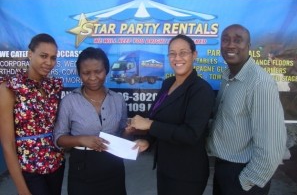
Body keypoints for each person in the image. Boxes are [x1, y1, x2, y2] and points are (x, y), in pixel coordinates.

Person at [129, 34, 215, 195]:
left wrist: (149, 125)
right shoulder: (168, 83)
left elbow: (190, 134)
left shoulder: (201, 90)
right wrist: (147, 140)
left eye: (183, 52)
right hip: (165, 169)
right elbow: (157, 119)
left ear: (194, 55)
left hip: (187, 174)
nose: (177, 58)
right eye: (172, 53)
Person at [207, 24, 287, 195]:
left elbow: (272, 147)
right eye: (226, 40)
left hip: (244, 177)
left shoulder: (260, 83)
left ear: (248, 46)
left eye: (238, 40)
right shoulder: (227, 76)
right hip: (223, 169)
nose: (230, 45)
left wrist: (246, 182)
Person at [54, 47, 128, 195]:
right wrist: (82, 140)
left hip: (114, 168)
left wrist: (128, 132)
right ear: (79, 74)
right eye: (86, 73)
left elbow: (123, 136)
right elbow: (59, 139)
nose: (93, 77)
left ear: (106, 70)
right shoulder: (70, 101)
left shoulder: (118, 100)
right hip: (82, 170)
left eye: (98, 71)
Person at [0, 33, 65, 195]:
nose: (49, 62)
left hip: (56, 164)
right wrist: (22, 189)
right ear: (30, 54)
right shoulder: (10, 88)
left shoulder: (53, 86)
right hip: (29, 168)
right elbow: (7, 144)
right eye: (43, 56)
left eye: (53, 58)